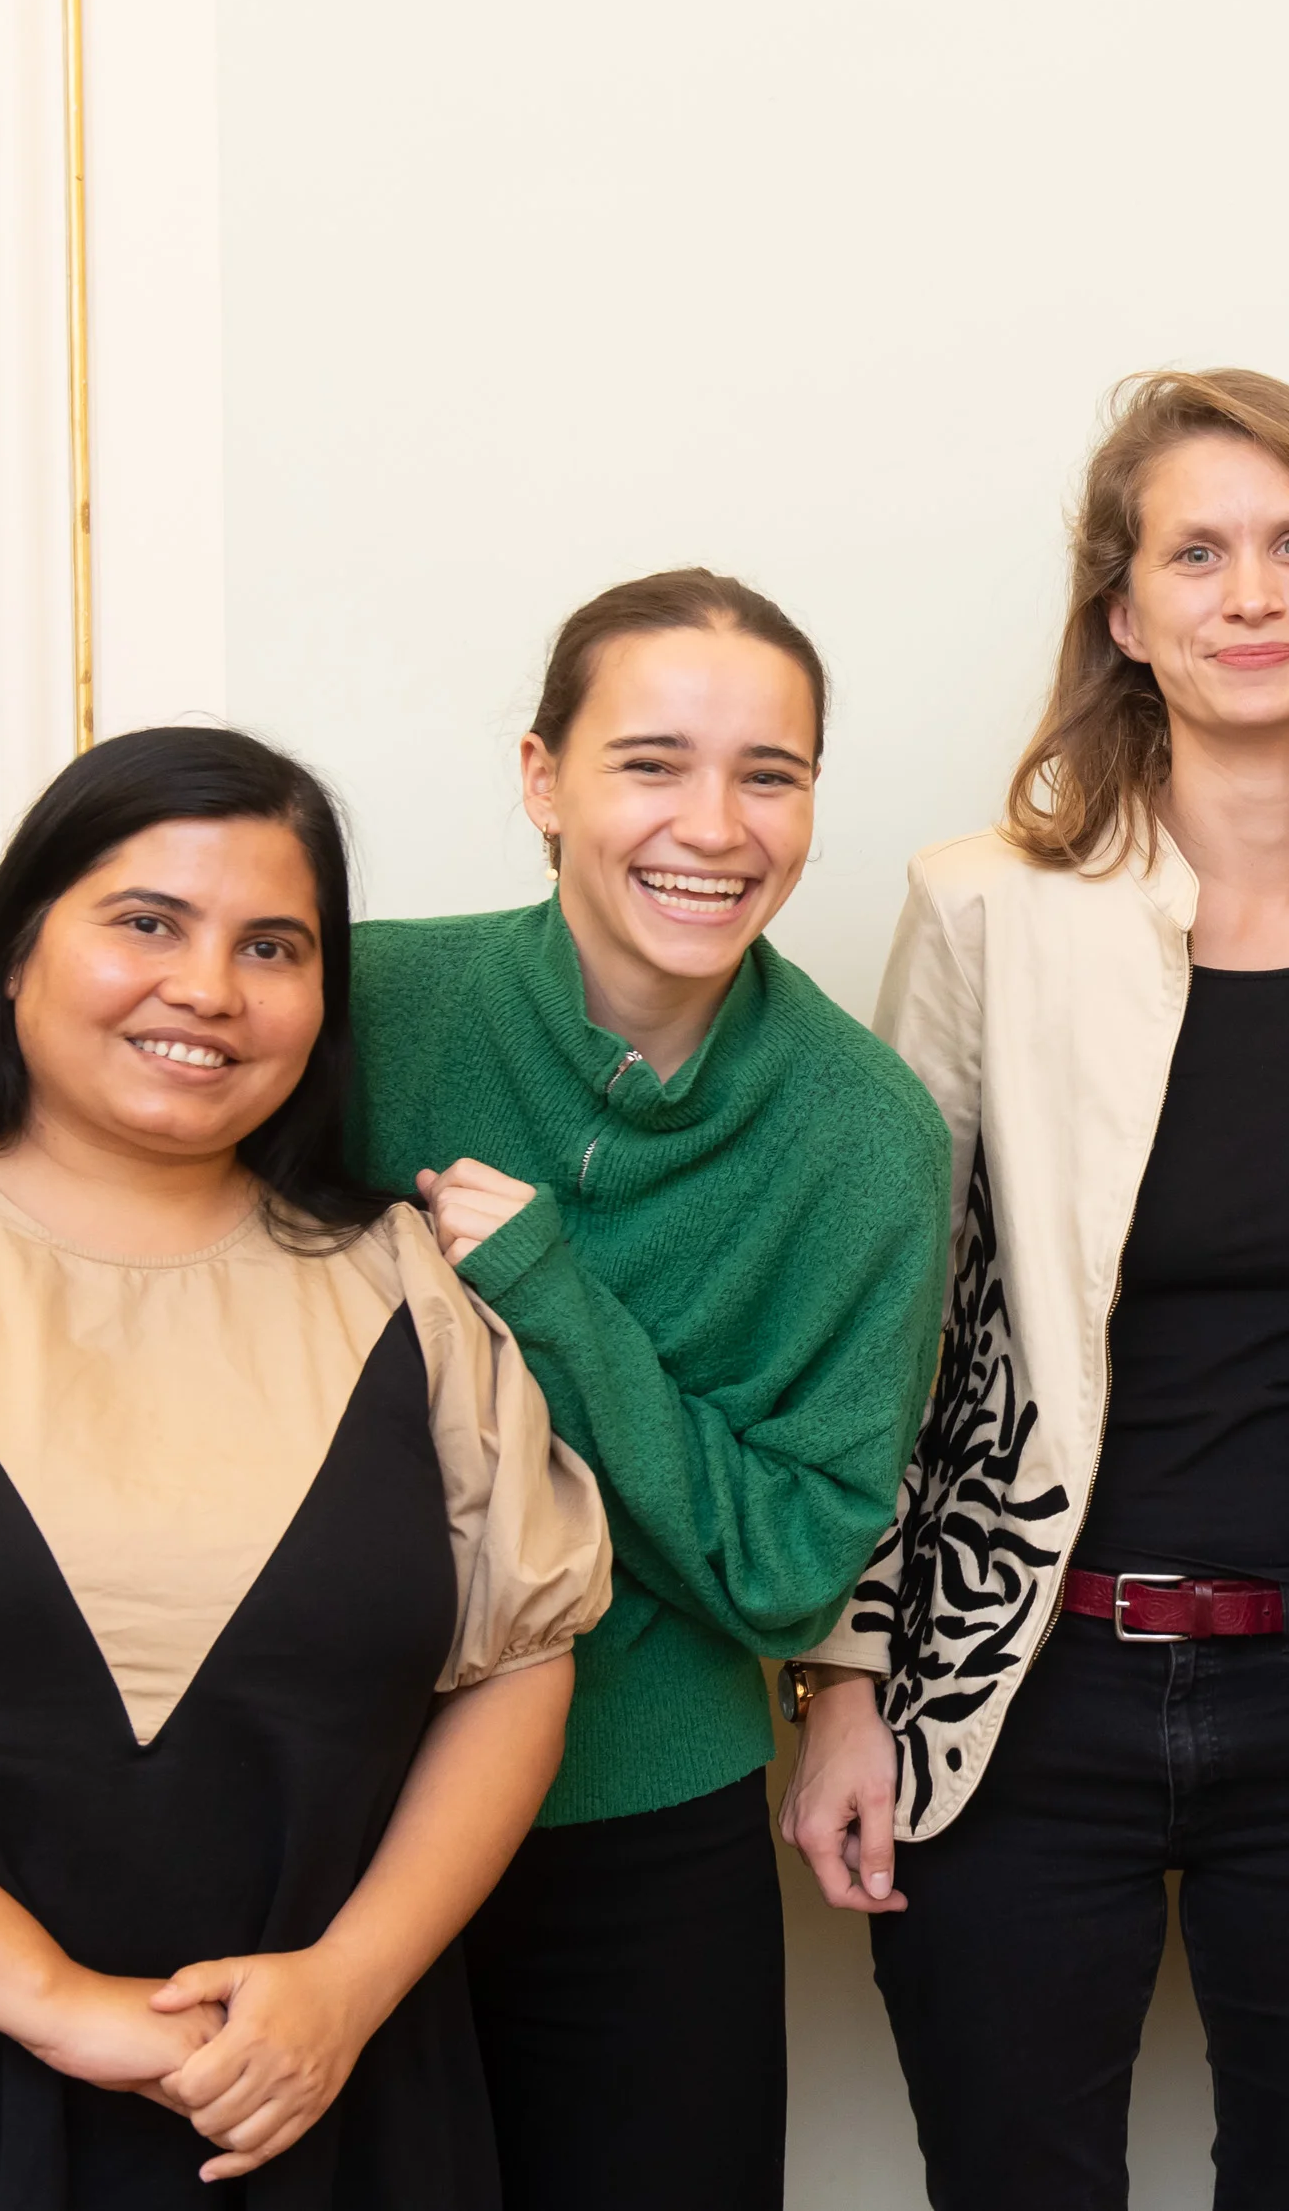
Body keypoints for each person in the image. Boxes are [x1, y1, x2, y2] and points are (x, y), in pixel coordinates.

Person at [0, 727, 612, 2207]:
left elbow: (518, 1663)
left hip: (291, 2100)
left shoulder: (408, 1293)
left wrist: (345, 1984)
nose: (207, 986)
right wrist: (48, 1993)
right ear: (17, 948)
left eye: (272, 945)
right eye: (146, 921)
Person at [761, 368, 1289, 2209]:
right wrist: (845, 1680)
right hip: (1026, 1692)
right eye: (1194, 552)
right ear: (1124, 613)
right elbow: (895, 1336)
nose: (1249, 593)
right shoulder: (981, 908)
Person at [349, 569, 952, 2210]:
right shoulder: (350, 1000)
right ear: (541, 779)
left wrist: (546, 1290)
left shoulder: (866, 1136)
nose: (717, 822)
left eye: (771, 772)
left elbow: (785, 1567)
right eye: (650, 762)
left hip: (635, 1821)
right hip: (312, 1794)